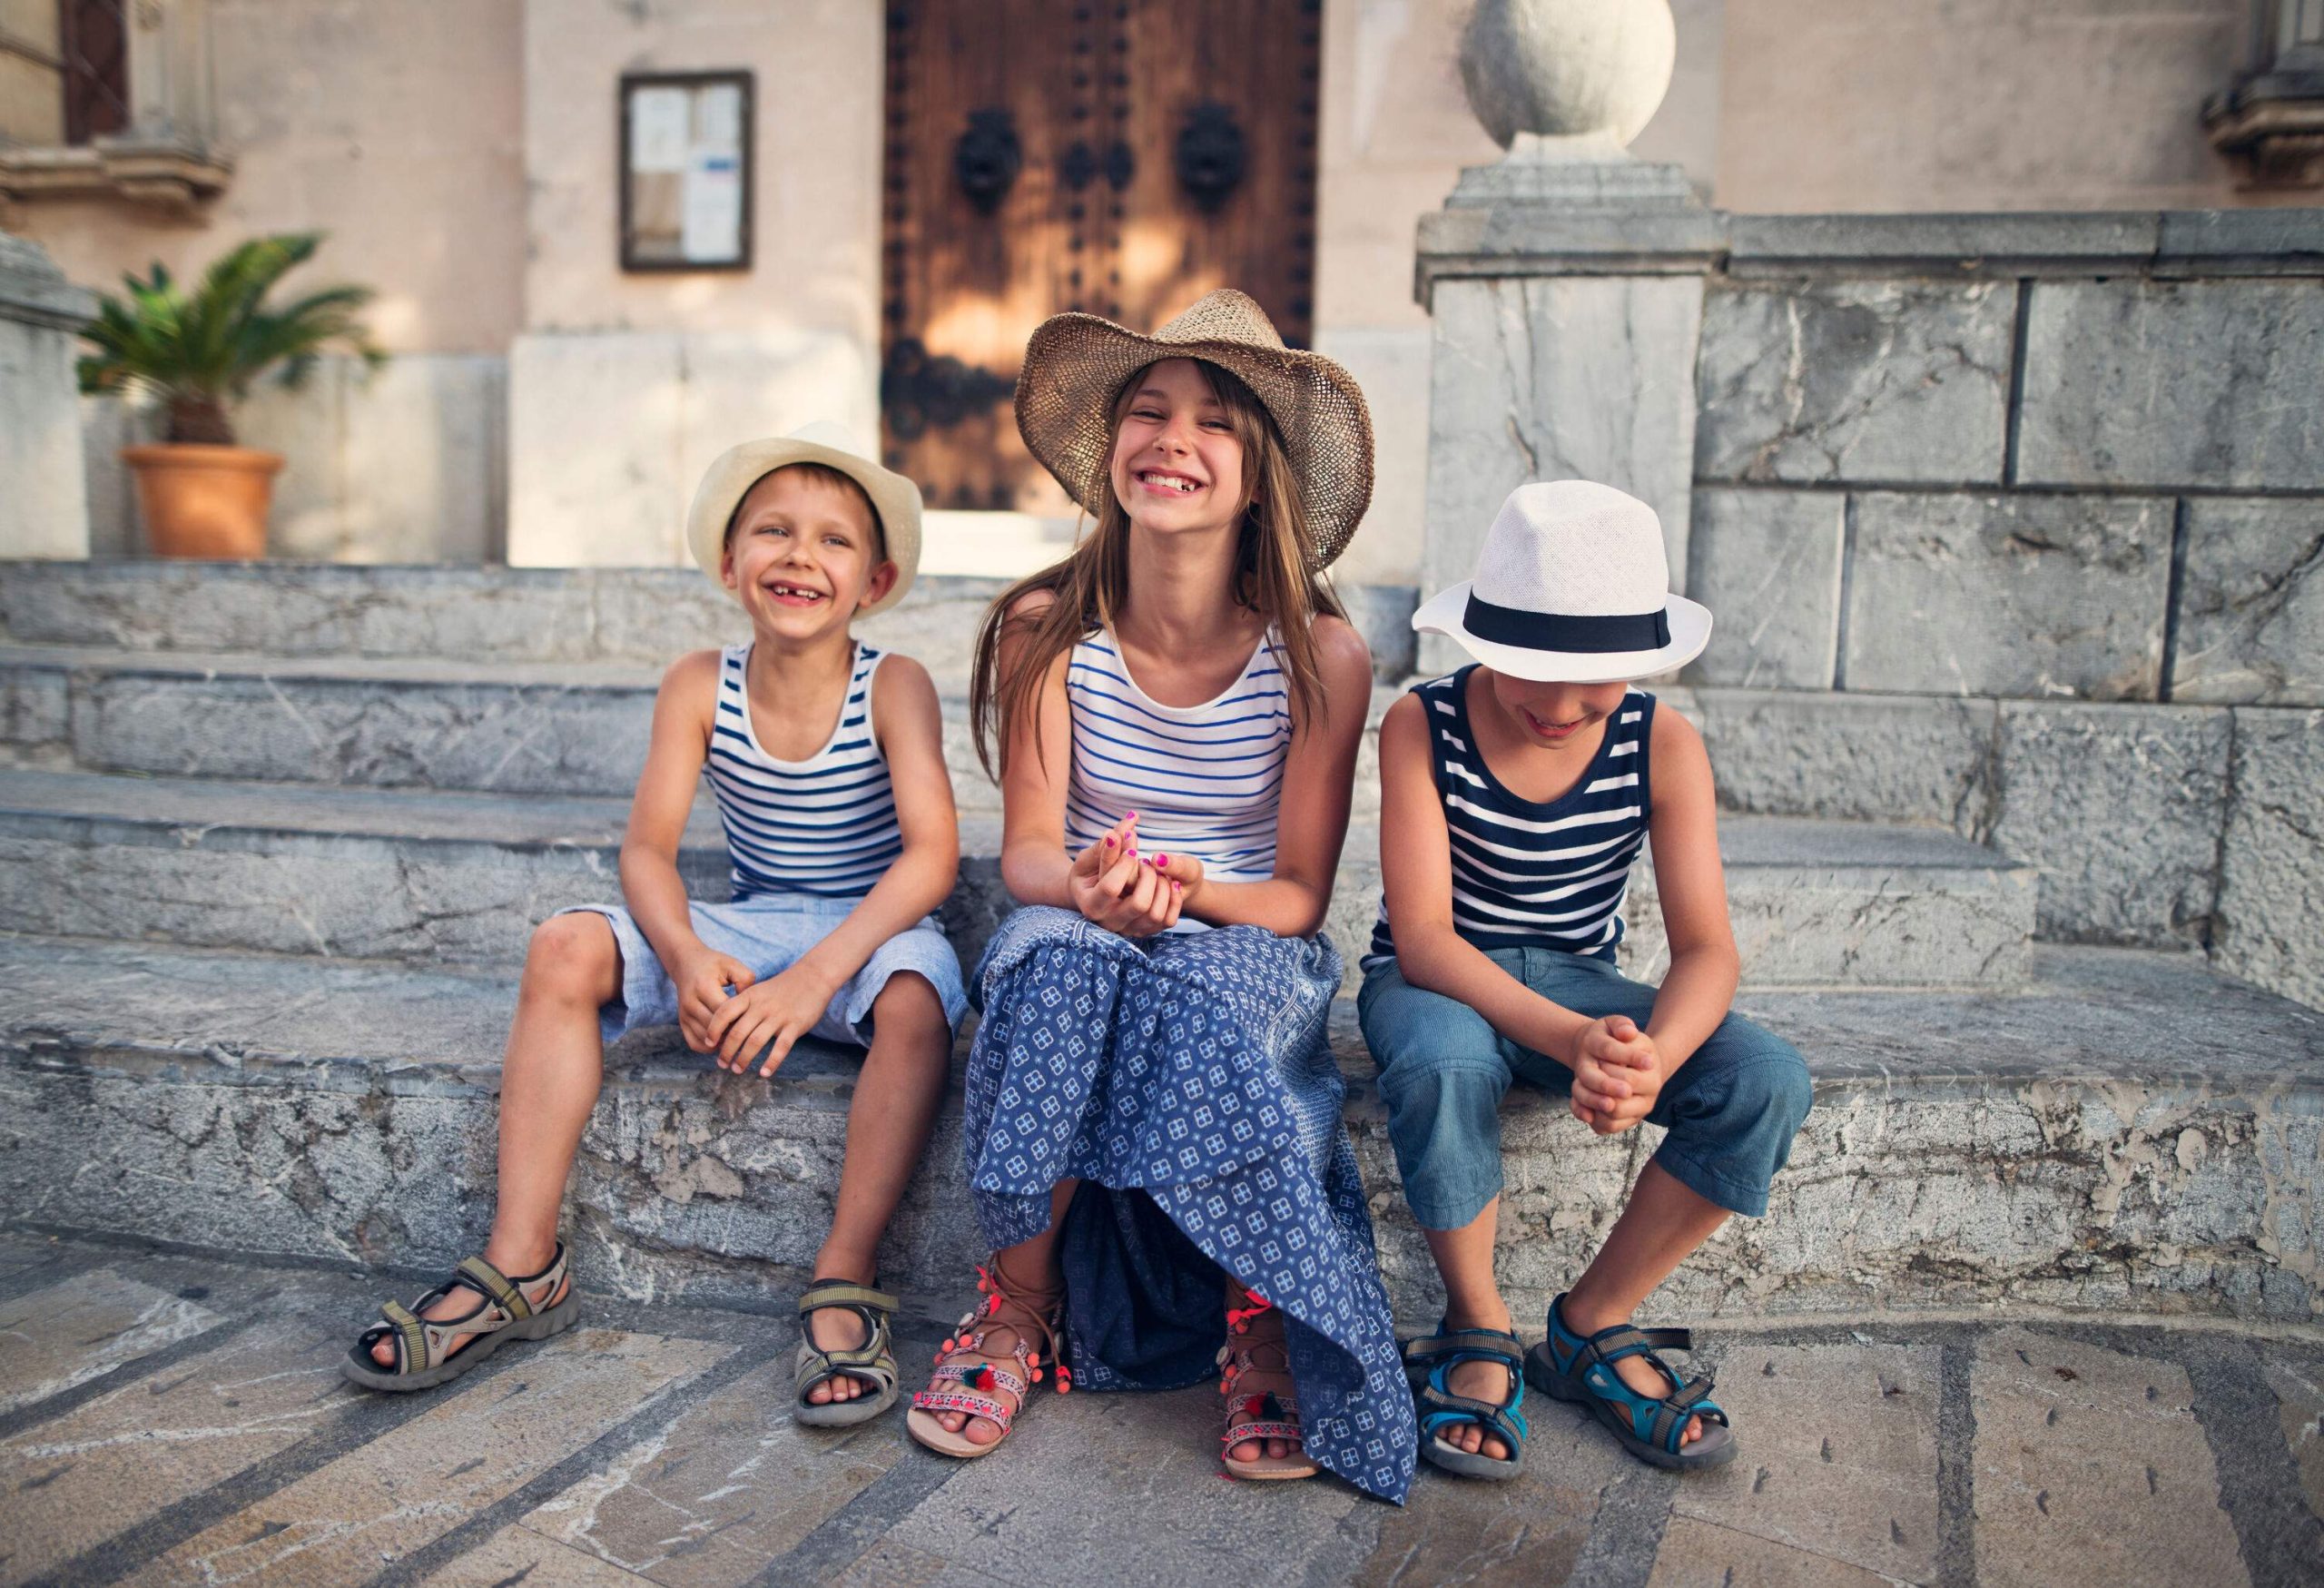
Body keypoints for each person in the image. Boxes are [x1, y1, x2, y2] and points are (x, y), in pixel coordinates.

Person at [343, 423, 967, 1429]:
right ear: (730, 564)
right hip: (753, 920)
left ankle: (843, 1276)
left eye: (833, 541)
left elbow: (932, 858)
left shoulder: (892, 684)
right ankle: (521, 1263)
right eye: (772, 531)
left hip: (871, 928)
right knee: (565, 946)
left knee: (913, 999)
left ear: (875, 584)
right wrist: (682, 955)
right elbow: (647, 851)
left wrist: (813, 981)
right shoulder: (697, 682)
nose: (800, 555)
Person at [904, 291, 1415, 1503]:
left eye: (1213, 423)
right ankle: (1018, 1305)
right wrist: (1088, 885)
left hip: (1238, 919)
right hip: (1077, 906)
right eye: (1148, 410)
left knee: (1216, 997)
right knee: (1051, 967)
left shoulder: (1321, 656)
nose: (1172, 439)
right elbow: (1027, 851)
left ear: (1259, 477)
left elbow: (1296, 896)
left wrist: (1192, 893)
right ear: (1110, 450)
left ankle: (1264, 1316)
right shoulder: (1047, 627)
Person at [1360, 479, 1812, 1479]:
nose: (1559, 707)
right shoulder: (1418, 725)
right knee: (1442, 1064)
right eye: (1530, 671)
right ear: (1479, 641)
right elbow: (1427, 938)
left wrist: (1651, 1058)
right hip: (1435, 979)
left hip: (1578, 977)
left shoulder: (1662, 743)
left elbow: (1707, 950)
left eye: (1594, 682)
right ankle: (1476, 1324)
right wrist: (1568, 1044)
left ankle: (1590, 1324)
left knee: (1767, 1079)